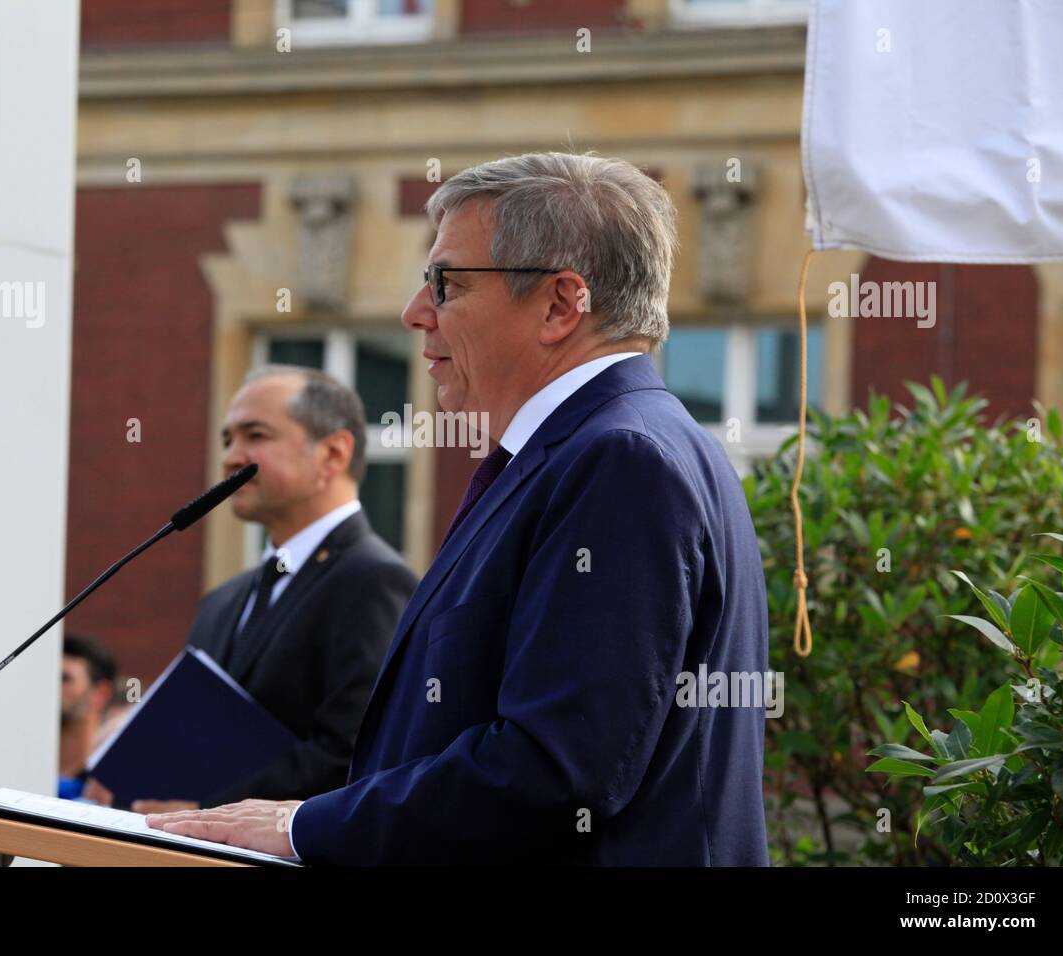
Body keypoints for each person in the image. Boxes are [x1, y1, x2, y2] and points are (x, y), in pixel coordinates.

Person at [147, 151, 771, 865]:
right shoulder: (586, 451)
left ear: (562, 304)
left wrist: (305, 827)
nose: (417, 315)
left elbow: (555, 771)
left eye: (445, 284)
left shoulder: (620, 460)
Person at [87, 366, 417, 813]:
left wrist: (205, 809)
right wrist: (126, 776)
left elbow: (354, 750)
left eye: (255, 435)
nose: (231, 457)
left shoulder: (373, 580)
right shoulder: (223, 601)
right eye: (227, 440)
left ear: (333, 454)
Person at [58, 633, 117, 800]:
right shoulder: (20, 762)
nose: (51, 687)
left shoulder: (110, 780)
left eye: (64, 678)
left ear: (100, 694)